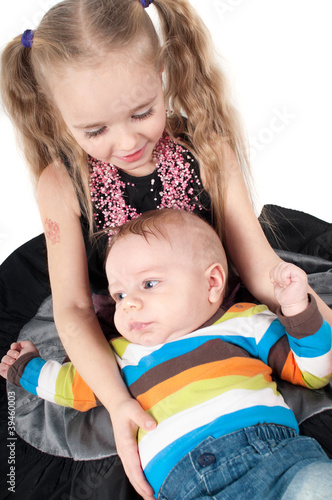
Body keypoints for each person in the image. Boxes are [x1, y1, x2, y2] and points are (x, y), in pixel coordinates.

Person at [1, 1, 332, 497]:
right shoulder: (62, 183)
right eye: (95, 131)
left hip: (213, 305)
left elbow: (255, 259)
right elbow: (71, 308)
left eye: (142, 112)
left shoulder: (205, 147)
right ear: (58, 115)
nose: (127, 140)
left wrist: (305, 308)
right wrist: (116, 401)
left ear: (161, 76)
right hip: (123, 327)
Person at [1, 209, 332, 499]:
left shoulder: (246, 322)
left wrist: (296, 307)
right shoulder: (117, 355)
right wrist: (26, 367)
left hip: (275, 460)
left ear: (213, 282)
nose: (127, 302)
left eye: (148, 284)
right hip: (180, 485)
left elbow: (313, 372)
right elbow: (71, 386)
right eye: (118, 295)